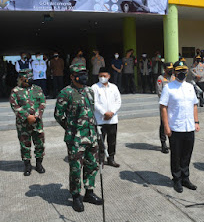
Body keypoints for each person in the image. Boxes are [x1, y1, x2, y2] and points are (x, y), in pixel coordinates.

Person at [54, 63, 103, 212]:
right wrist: (71, 128)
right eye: (80, 74)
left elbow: (91, 112)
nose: (84, 77)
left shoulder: (89, 91)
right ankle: (76, 196)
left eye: (85, 73)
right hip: (75, 138)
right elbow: (58, 115)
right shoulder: (66, 93)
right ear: (72, 76)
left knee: (92, 165)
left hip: (91, 135)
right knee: (76, 168)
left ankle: (89, 192)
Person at [160, 61, 200, 193]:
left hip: (189, 127)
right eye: (179, 71)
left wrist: (196, 122)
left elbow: (194, 104)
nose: (182, 73)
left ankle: (185, 178)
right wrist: (166, 126)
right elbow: (163, 107)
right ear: (175, 72)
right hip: (175, 127)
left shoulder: (190, 87)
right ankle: (176, 179)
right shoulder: (168, 87)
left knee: (187, 154)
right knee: (176, 155)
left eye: (184, 71)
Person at [9, 69, 46, 176]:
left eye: (30, 78)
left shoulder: (38, 89)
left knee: (39, 144)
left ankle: (39, 164)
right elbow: (14, 106)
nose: (29, 80)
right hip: (23, 124)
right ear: (21, 79)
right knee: (25, 145)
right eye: (26, 78)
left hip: (37, 122)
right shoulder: (15, 91)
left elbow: (42, 103)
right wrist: (27, 116)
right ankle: (27, 165)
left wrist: (37, 116)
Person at [91, 67, 122, 167]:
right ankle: (100, 160)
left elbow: (118, 101)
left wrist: (111, 112)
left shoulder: (114, 87)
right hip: (100, 119)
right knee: (100, 141)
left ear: (109, 76)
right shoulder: (94, 87)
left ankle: (111, 159)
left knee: (112, 141)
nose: (102, 78)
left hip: (112, 119)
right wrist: (104, 113)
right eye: (100, 76)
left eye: (104, 76)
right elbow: (94, 102)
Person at [156, 62, 174, 154]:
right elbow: (159, 92)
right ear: (164, 69)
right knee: (163, 124)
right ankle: (163, 144)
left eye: (172, 68)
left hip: (173, 105)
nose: (171, 70)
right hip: (165, 105)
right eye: (169, 68)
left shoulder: (174, 77)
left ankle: (172, 142)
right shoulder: (160, 78)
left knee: (171, 123)